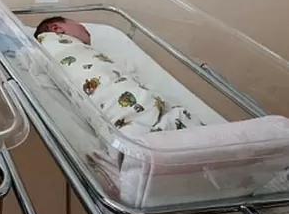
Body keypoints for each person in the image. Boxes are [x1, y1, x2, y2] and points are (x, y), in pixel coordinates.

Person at [34, 16, 201, 136]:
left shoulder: (85, 51)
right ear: (57, 29)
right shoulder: (49, 45)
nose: (88, 32)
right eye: (82, 28)